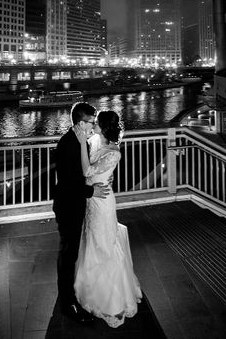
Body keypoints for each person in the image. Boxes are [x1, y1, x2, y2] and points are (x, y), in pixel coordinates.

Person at [74, 111, 143, 327]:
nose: (92, 125)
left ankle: (111, 298)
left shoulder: (114, 153)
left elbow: (87, 171)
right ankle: (92, 287)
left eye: (96, 123)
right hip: (91, 200)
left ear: (103, 127)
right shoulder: (95, 140)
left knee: (104, 243)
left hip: (103, 201)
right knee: (92, 240)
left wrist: (78, 143)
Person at [53, 102, 111, 323]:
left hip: (74, 204)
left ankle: (69, 294)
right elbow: (69, 182)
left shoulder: (79, 142)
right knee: (68, 254)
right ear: (80, 123)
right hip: (68, 206)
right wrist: (92, 190)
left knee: (71, 252)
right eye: (91, 122)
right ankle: (68, 303)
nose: (93, 125)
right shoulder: (70, 144)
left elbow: (83, 171)